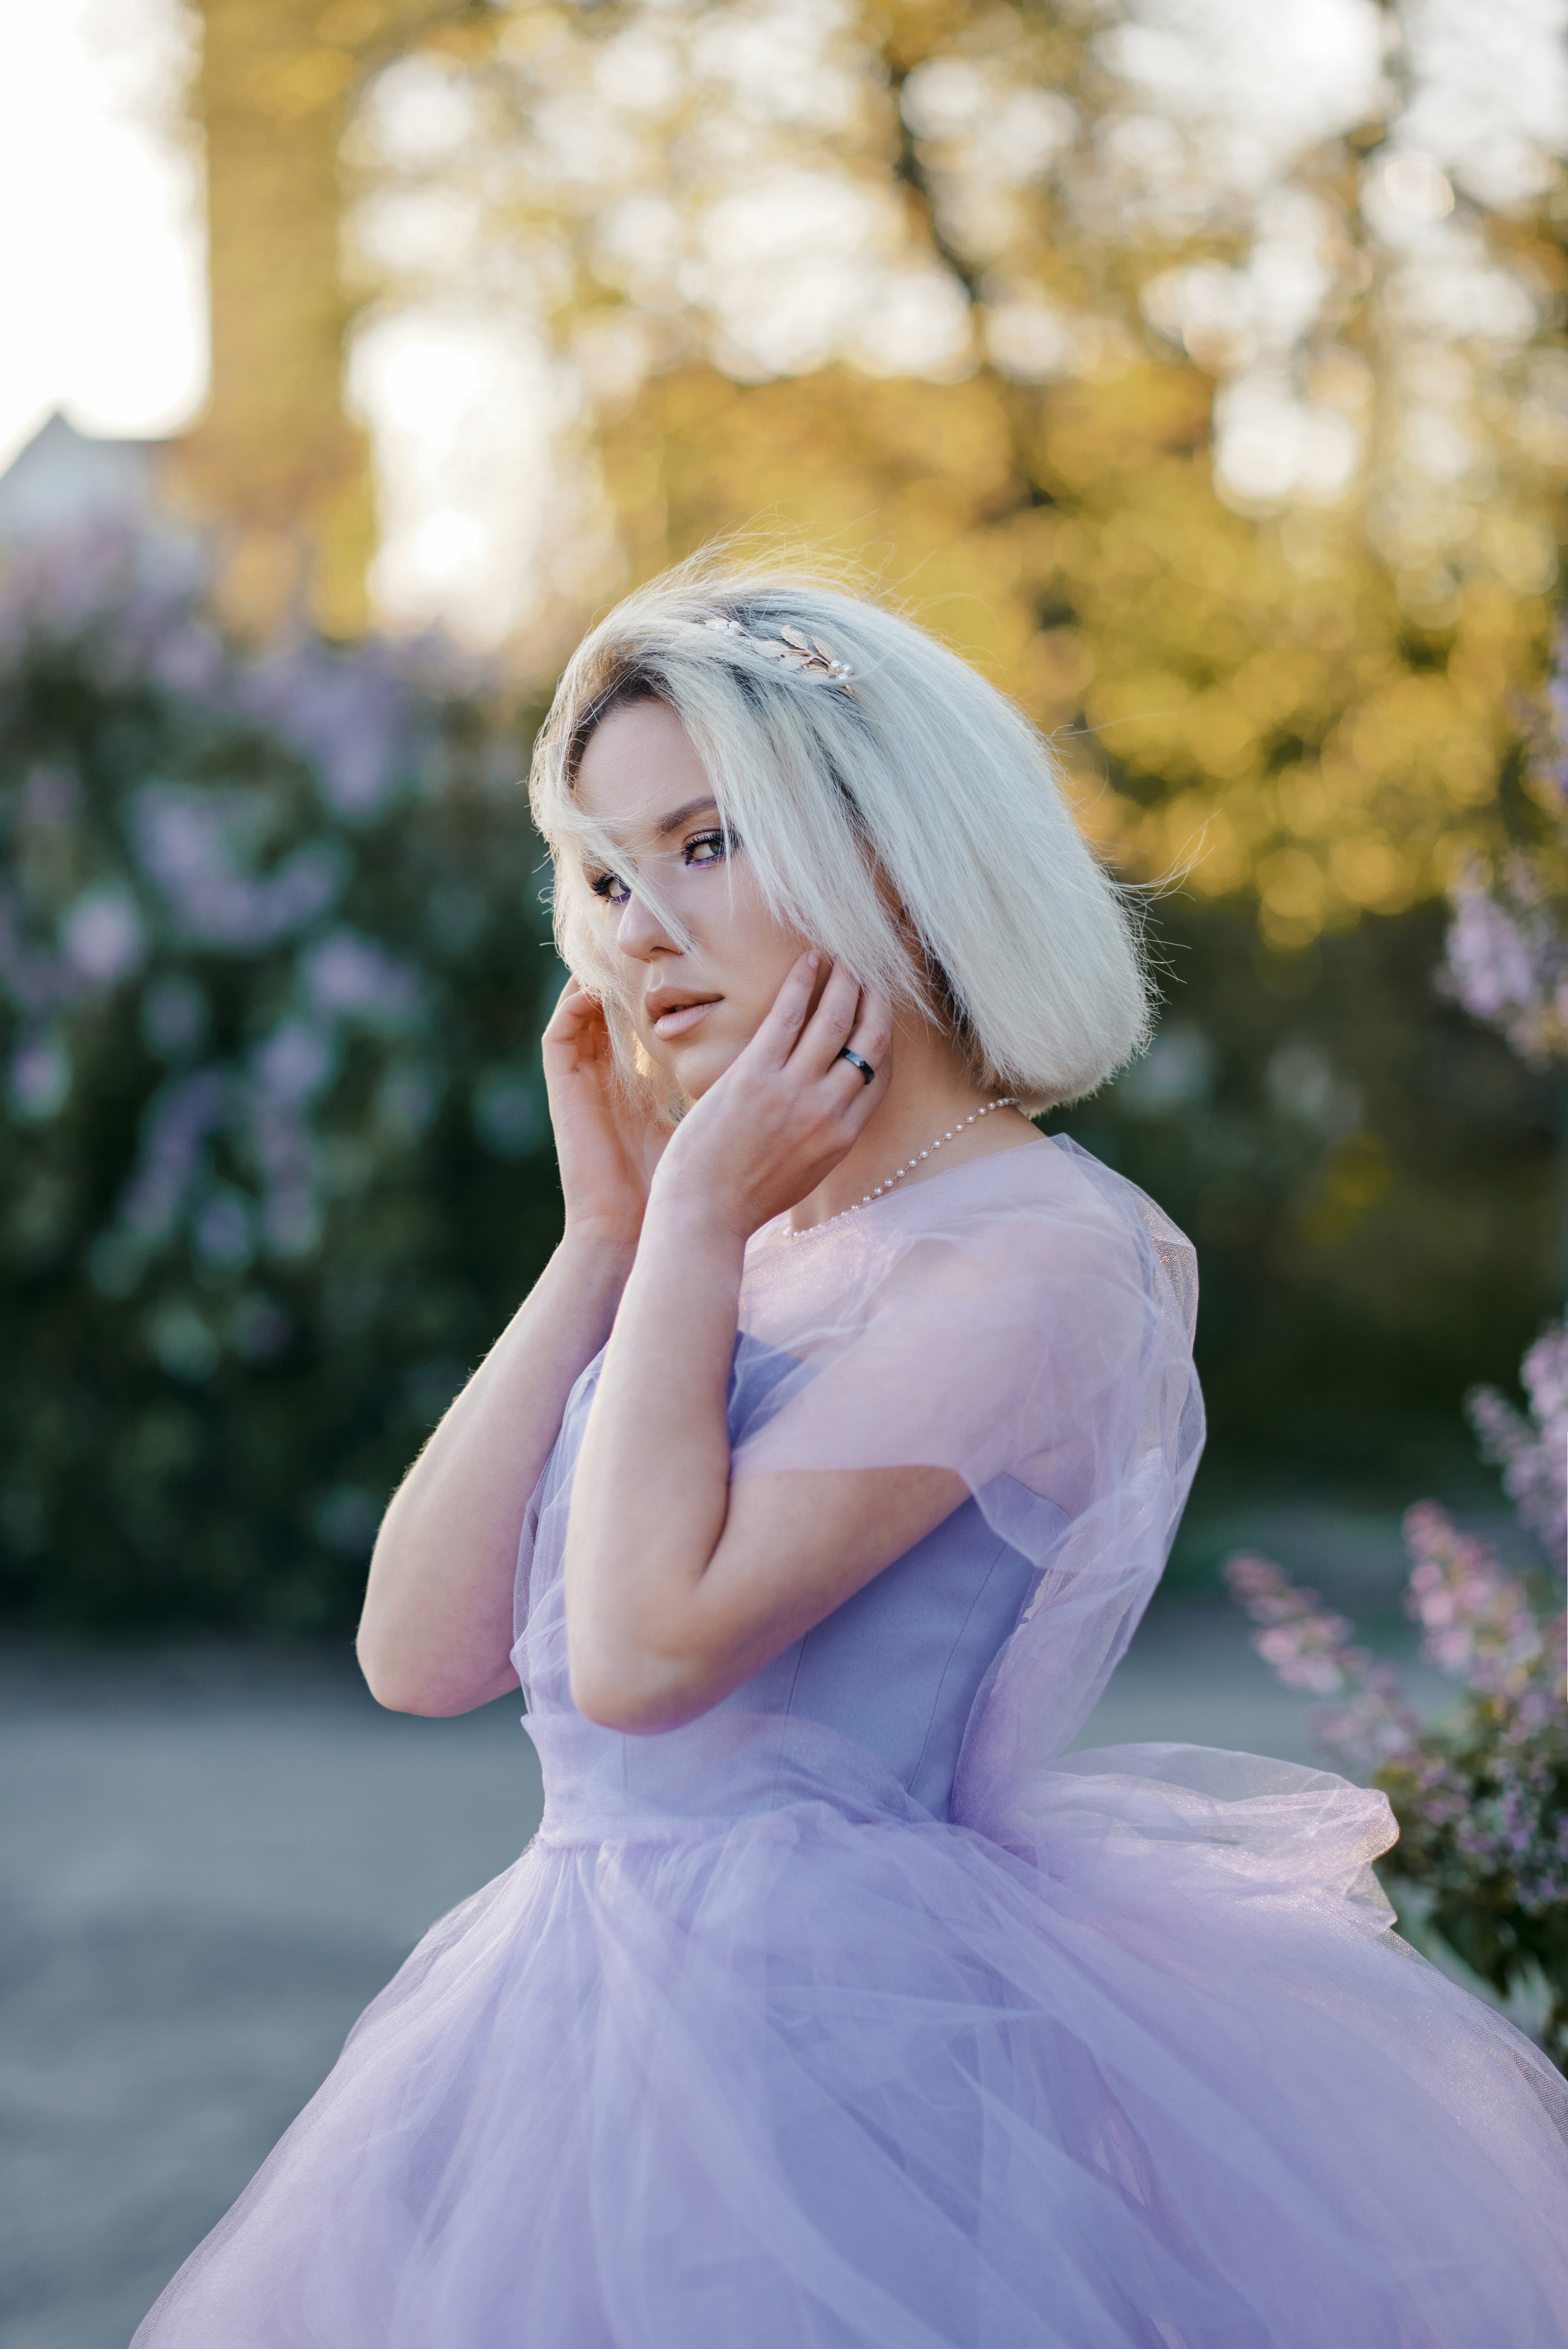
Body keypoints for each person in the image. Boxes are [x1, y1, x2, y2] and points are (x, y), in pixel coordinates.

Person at [135, 561, 1568, 2348]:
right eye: (603, 872)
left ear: (887, 849)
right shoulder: (732, 1247)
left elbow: (652, 1653)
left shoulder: (1039, 1251)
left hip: (823, 2061)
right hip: (573, 2016)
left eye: (706, 843)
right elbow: (420, 1650)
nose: (638, 925)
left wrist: (692, 1232)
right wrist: (608, 1243)